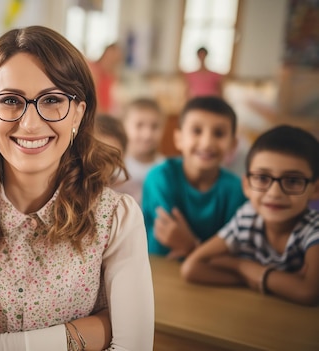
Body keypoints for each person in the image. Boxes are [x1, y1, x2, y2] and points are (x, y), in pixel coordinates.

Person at [0, 25, 154, 351]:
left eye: (52, 99)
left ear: (78, 115)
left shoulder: (116, 218)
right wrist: (80, 336)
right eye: (10, 100)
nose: (29, 123)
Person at [181, 125, 319, 306]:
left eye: (293, 181)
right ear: (246, 185)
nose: (275, 193)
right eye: (262, 178)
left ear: (315, 189)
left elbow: (308, 292)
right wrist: (246, 270)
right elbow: (191, 268)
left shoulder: (313, 229)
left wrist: (248, 270)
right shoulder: (247, 217)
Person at [142, 96, 246, 258]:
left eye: (219, 134)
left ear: (233, 145)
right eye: (197, 131)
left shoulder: (237, 189)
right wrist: (203, 250)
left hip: (212, 279)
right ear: (178, 139)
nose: (206, 143)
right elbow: (166, 238)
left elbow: (233, 254)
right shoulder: (160, 177)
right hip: (158, 271)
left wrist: (191, 245)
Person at [119, 98, 166, 206]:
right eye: (139, 125)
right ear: (123, 126)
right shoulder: (115, 166)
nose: (147, 134)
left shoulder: (165, 168)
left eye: (155, 126)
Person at [88, 43, 122, 115]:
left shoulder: (111, 76)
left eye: (115, 60)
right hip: (97, 114)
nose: (111, 62)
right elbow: (94, 98)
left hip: (105, 114)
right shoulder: (93, 70)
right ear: (104, 55)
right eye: (110, 58)